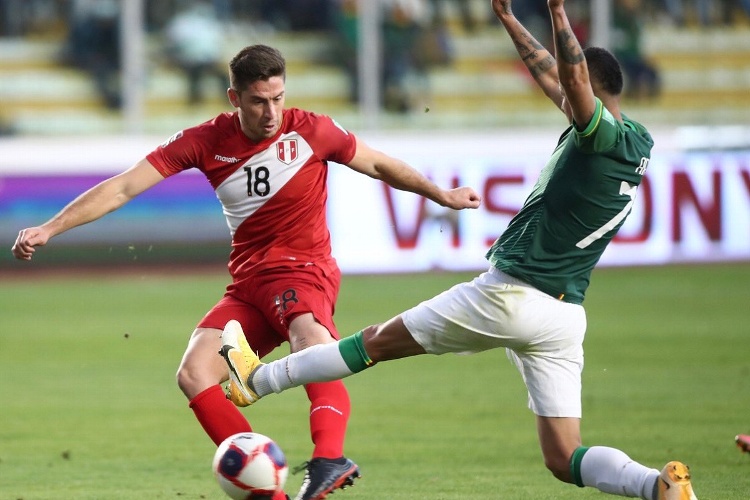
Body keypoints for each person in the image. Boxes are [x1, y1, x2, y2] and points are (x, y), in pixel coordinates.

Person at [218, 2, 699, 499]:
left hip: (513, 295)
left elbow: (573, 83)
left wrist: (556, 11)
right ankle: (656, 487)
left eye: (573, 90)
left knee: (374, 344)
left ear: (590, 95)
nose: (560, 91)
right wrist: (510, 20)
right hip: (563, 315)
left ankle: (260, 380)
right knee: (563, 455)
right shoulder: (636, 141)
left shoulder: (596, 136)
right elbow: (561, 82)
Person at [10, 44, 481, 500]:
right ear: (235, 98)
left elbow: (378, 163)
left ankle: (330, 457)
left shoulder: (312, 132)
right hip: (249, 282)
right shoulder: (205, 140)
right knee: (194, 374)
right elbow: (123, 187)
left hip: (302, 269)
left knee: (311, 342)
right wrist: (52, 227)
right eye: (258, 101)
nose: (271, 112)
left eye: (278, 98)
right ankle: (266, 488)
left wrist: (441, 195)